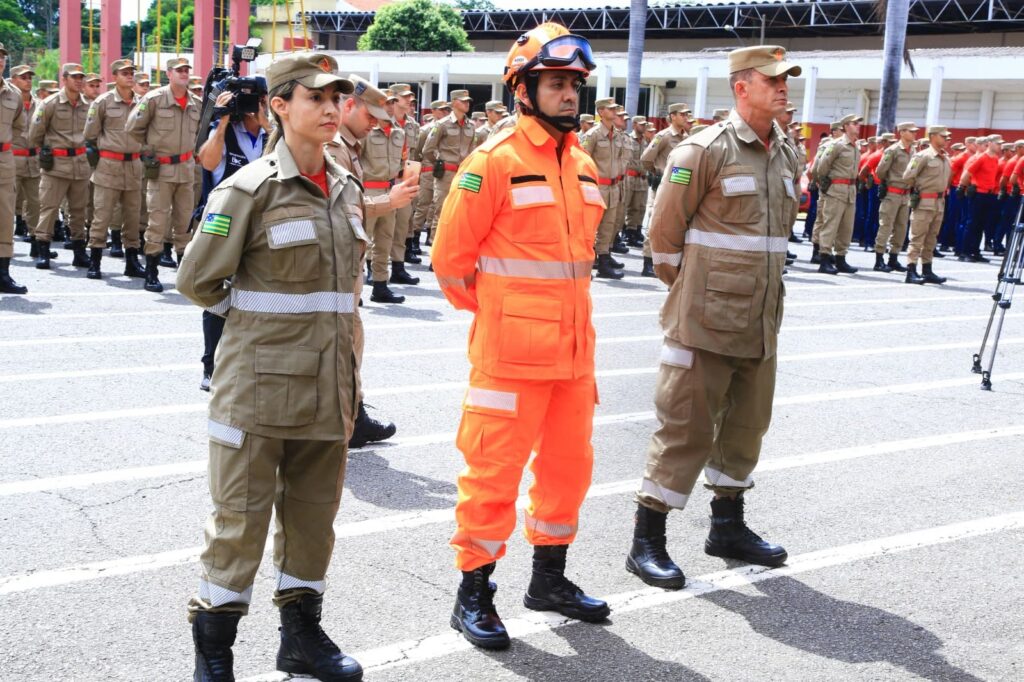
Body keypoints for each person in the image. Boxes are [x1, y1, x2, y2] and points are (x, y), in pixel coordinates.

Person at [178, 51, 365, 682]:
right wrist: (262, 326)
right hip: (257, 390)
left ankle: (301, 640)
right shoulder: (248, 189)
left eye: (338, 96)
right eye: (317, 97)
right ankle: (214, 654)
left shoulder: (346, 187)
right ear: (280, 106)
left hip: (328, 389)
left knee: (313, 524)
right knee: (239, 524)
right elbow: (198, 280)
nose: (333, 108)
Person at [433, 22, 610, 651]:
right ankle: (473, 593)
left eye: (573, 84)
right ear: (524, 89)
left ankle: (549, 580)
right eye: (556, 83)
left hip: (572, 356)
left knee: (568, 471)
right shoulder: (493, 161)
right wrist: (506, 316)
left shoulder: (583, 163)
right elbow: (451, 263)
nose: (569, 94)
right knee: (493, 475)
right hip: (510, 357)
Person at [626, 44, 799, 592]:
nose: (783, 87)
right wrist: (695, 292)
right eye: (772, 79)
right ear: (741, 86)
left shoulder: (785, 152)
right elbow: (664, 238)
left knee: (747, 426)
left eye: (786, 79)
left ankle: (727, 527)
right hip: (704, 316)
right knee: (685, 426)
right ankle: (646, 541)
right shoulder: (702, 150)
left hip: (761, 316)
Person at [326, 74, 417, 451]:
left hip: (347, 263)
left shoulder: (349, 145)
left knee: (350, 340)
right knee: (345, 342)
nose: (376, 123)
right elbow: (337, 208)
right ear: (349, 106)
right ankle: (349, 418)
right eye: (370, 115)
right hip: (337, 264)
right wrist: (388, 203)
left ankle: (351, 413)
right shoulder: (336, 148)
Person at [192, 86, 273, 391]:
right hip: (224, 221)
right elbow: (209, 163)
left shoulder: (272, 134)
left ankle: (250, 362)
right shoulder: (223, 130)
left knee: (259, 292)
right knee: (215, 294)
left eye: (263, 101)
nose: (256, 107)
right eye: (254, 101)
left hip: (260, 222)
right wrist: (222, 120)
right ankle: (210, 365)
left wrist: (268, 126)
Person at [126, 57, 201, 292]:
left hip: (186, 169)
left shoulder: (196, 103)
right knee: (157, 221)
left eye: (186, 70)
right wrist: (147, 152)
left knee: (184, 222)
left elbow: (200, 134)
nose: (184, 74)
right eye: (179, 70)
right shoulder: (154, 99)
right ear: (168, 74)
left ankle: (184, 273)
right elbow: (132, 128)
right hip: (161, 170)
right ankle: (152, 272)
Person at [82, 59, 147, 280]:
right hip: (109, 165)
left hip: (134, 165)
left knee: (132, 216)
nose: (130, 76)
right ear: (115, 76)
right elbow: (90, 134)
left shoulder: (143, 102)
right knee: (102, 215)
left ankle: (131, 262)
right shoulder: (103, 102)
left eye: (132, 72)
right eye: (125, 73)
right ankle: (95, 261)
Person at [29, 63, 91, 271]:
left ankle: (79, 252)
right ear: (64, 79)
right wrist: (48, 151)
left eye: (81, 77)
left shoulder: (87, 105)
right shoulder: (50, 103)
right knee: (49, 209)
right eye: (74, 77)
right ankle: (43, 251)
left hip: (80, 165)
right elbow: (35, 134)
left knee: (78, 211)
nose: (79, 80)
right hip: (56, 165)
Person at [580, 97, 627, 278]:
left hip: (613, 188)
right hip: (597, 188)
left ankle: (604, 262)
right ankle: (587, 263)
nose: (615, 112)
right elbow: (582, 162)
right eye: (611, 109)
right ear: (601, 112)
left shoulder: (617, 134)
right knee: (591, 229)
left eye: (615, 108)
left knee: (608, 228)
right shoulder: (592, 135)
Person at [422, 89, 478, 244]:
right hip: (446, 174)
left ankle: (455, 248)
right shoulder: (442, 124)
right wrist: (439, 163)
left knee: (462, 212)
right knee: (441, 211)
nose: (467, 103)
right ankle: (435, 250)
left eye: (468, 101)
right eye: (463, 100)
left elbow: (473, 150)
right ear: (454, 103)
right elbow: (427, 150)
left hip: (465, 175)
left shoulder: (471, 126)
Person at [902, 125, 952, 285]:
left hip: (939, 202)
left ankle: (927, 269)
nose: (946, 139)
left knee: (931, 239)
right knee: (917, 237)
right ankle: (911, 271)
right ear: (933, 136)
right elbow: (908, 176)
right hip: (924, 202)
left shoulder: (945, 157)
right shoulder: (923, 156)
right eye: (942, 136)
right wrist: (919, 189)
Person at [815, 113, 862, 274]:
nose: (858, 126)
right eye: (855, 123)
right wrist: (827, 183)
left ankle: (841, 258)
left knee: (846, 227)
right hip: (836, 190)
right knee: (830, 225)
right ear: (846, 126)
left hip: (850, 191)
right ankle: (824, 259)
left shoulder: (856, 146)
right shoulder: (836, 145)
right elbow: (822, 167)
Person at [0, 43, 29, 294]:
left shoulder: (13, 94)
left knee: (5, 216)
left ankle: (3, 273)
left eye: (2, 58)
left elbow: (20, 126)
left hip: (3, 158)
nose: (0, 61)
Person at [872, 122, 919, 273]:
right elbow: (880, 171)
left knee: (901, 228)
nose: (914, 134)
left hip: (905, 195)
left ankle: (893, 258)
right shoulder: (892, 150)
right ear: (902, 132)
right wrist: (889, 182)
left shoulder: (913, 150)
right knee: (886, 225)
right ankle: (879, 260)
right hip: (892, 193)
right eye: (911, 132)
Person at [958, 134, 1002, 263]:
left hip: (989, 194)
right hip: (978, 194)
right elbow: (968, 172)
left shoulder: (995, 159)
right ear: (990, 143)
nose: (1000, 146)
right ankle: (964, 252)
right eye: (997, 143)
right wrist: (962, 187)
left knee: (981, 224)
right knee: (972, 223)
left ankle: (975, 251)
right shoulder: (981, 158)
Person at [11, 64, 40, 255]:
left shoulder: (40, 104)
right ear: (13, 80)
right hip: (12, 159)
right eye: (23, 77)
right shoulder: (8, 101)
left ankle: (37, 244)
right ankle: (5, 248)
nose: (28, 80)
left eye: (29, 77)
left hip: (33, 161)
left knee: (36, 203)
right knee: (8, 203)